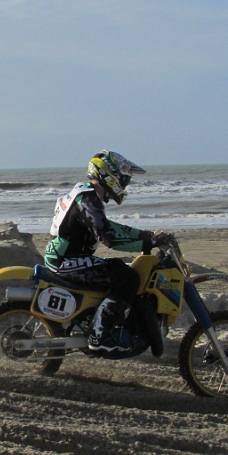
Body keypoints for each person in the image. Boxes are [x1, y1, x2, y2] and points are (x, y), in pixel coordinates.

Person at [45, 150, 171, 354]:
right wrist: (147, 242)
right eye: (124, 179)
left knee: (116, 270)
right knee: (127, 277)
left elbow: (109, 226)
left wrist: (146, 236)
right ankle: (100, 336)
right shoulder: (88, 199)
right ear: (110, 175)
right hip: (67, 262)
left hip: (66, 258)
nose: (125, 184)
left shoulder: (85, 194)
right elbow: (109, 238)